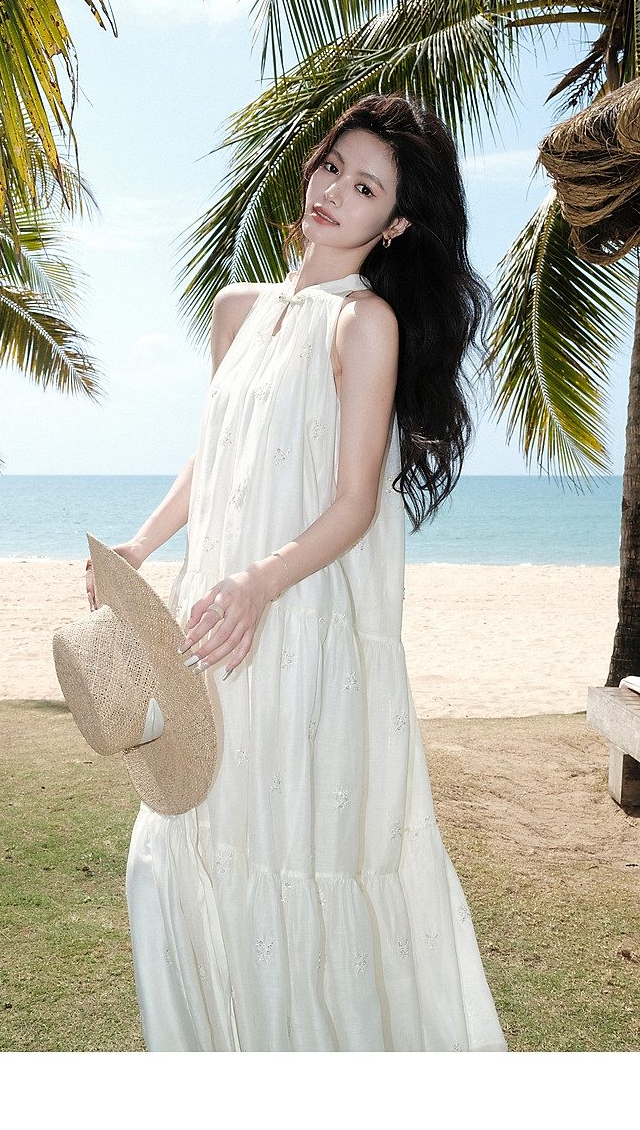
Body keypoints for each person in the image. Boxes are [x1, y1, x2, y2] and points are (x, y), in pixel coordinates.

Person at [86, 94, 508, 1051]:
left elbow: (355, 500)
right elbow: (214, 452)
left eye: (366, 188)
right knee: (173, 851)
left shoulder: (365, 324)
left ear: (393, 224)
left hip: (293, 625)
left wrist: (259, 583)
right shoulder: (237, 309)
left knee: (284, 857)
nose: (334, 191)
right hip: (212, 620)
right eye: (332, 167)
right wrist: (142, 547)